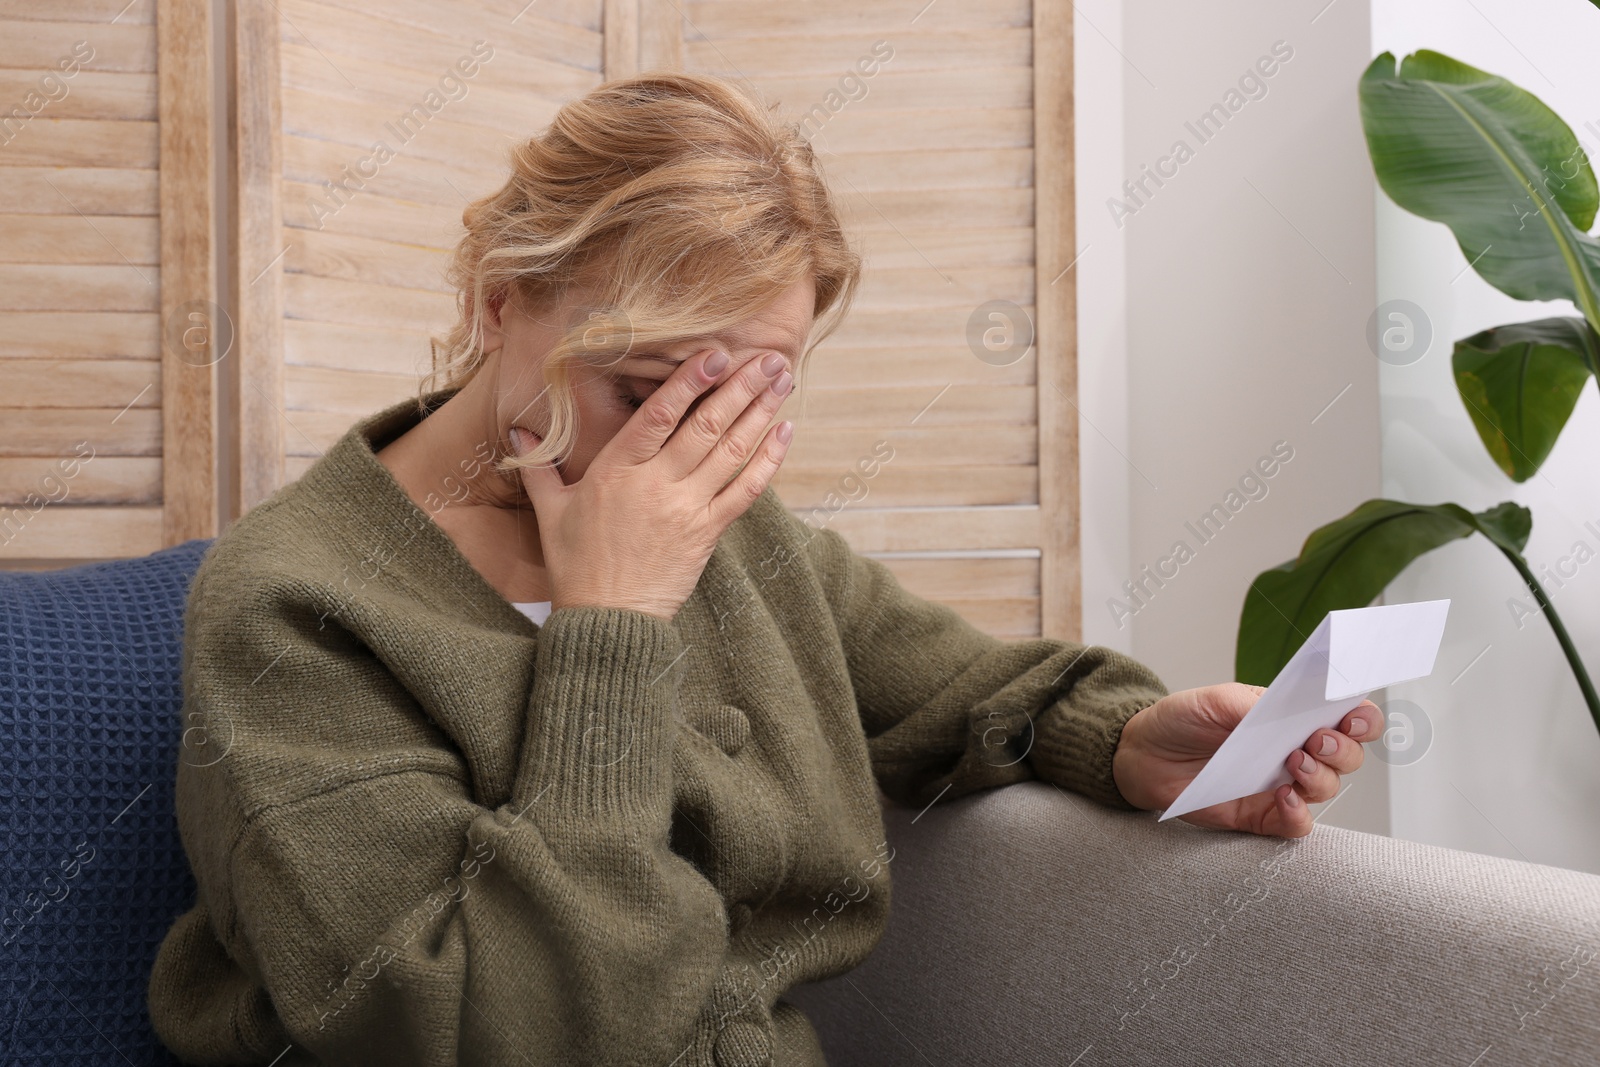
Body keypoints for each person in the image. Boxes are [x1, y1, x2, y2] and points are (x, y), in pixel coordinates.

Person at [147, 71, 1381, 1067]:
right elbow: (502, 1032)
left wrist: (1128, 738)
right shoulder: (293, 606)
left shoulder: (736, 534)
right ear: (497, 300)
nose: (680, 448)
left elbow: (956, 687)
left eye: (746, 392)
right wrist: (615, 616)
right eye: (643, 386)